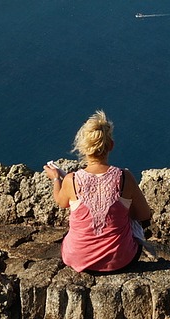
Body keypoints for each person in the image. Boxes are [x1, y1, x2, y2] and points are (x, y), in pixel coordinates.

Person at [45, 111, 153, 273]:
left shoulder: (71, 180)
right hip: (120, 259)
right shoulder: (124, 178)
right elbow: (144, 215)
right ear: (111, 145)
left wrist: (56, 178)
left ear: (83, 148)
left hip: (78, 258)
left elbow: (61, 202)